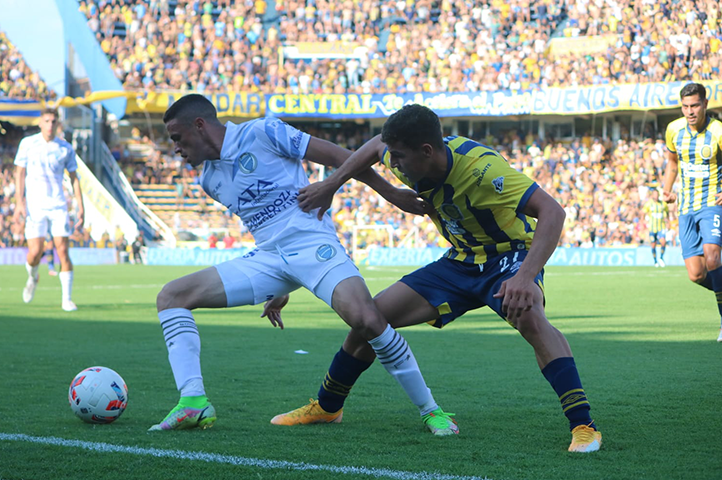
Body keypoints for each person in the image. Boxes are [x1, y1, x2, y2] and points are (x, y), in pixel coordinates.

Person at [270, 104, 602, 453]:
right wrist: (348, 187)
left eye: (398, 157)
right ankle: (327, 407)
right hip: (459, 261)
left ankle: (584, 425)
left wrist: (525, 276)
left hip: (508, 254)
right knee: (370, 320)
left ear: (427, 151)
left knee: (529, 315)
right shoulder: (406, 154)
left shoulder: (482, 169)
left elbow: (553, 211)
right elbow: (371, 148)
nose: (393, 163)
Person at [149, 94, 457, 436]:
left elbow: (341, 156)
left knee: (367, 321)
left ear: (200, 125)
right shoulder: (209, 180)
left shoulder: (262, 132)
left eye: (177, 138)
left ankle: (431, 411)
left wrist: (390, 192)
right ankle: (192, 402)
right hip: (268, 258)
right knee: (171, 297)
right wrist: (278, 285)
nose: (175, 148)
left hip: (313, 244)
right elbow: (264, 227)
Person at [662, 82, 722, 342]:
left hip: (712, 204)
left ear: (705, 104)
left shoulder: (718, 131)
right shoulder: (673, 130)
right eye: (685, 106)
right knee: (697, 273)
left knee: (713, 257)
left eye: (695, 105)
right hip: (686, 207)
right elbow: (672, 162)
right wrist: (666, 190)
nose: (690, 111)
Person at [13, 108, 84, 311]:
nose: (50, 125)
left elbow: (74, 178)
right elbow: (19, 173)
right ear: (40, 123)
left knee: (62, 250)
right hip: (35, 206)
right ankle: (33, 277)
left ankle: (67, 299)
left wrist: (80, 206)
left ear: (58, 124)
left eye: (54, 121)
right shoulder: (28, 144)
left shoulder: (65, 148)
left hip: (58, 205)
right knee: (35, 253)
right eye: (47, 121)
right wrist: (19, 202)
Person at [643, 189, 668, 267]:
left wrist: (668, 222)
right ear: (652, 195)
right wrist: (643, 223)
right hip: (652, 228)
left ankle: (661, 257)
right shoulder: (648, 204)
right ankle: (655, 261)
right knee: (653, 245)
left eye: (657, 194)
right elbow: (643, 213)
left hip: (661, 227)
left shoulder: (663, 204)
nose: (656, 196)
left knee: (663, 242)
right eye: (654, 194)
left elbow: (667, 212)